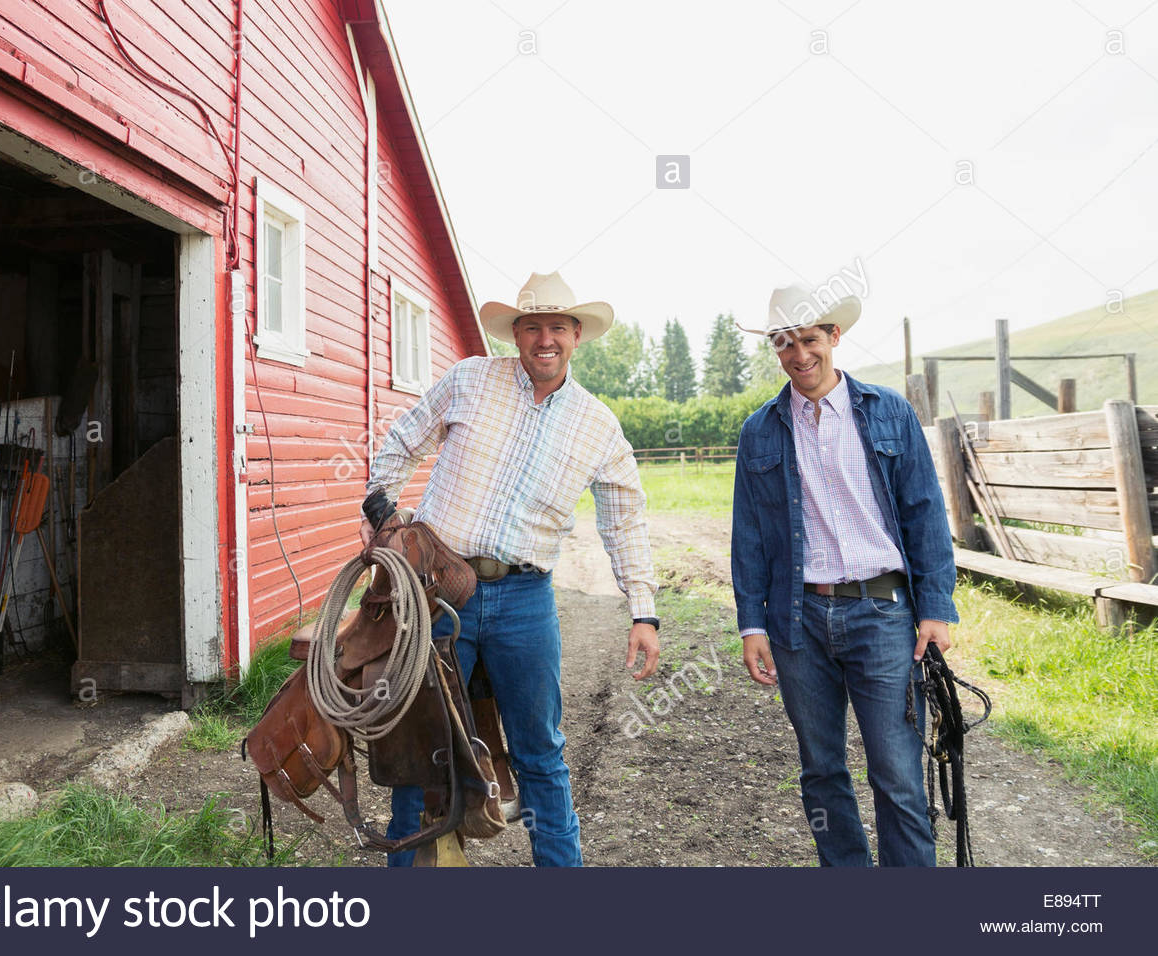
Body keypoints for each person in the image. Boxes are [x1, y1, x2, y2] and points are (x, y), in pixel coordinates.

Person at [361, 270, 660, 867]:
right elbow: (401, 441)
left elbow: (624, 518)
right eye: (531, 327)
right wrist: (380, 513)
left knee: (539, 751)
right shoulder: (472, 379)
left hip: (525, 599)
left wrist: (643, 609)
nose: (543, 339)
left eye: (557, 327)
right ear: (515, 333)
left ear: (576, 335)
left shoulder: (597, 423)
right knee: (417, 743)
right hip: (439, 590)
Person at [730, 283, 958, 867]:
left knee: (898, 771)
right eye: (785, 344)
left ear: (834, 337)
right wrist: (751, 624)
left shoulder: (888, 412)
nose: (799, 355)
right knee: (823, 769)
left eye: (810, 339)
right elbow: (750, 535)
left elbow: (925, 512)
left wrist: (935, 608)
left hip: (882, 612)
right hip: (797, 619)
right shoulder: (761, 429)